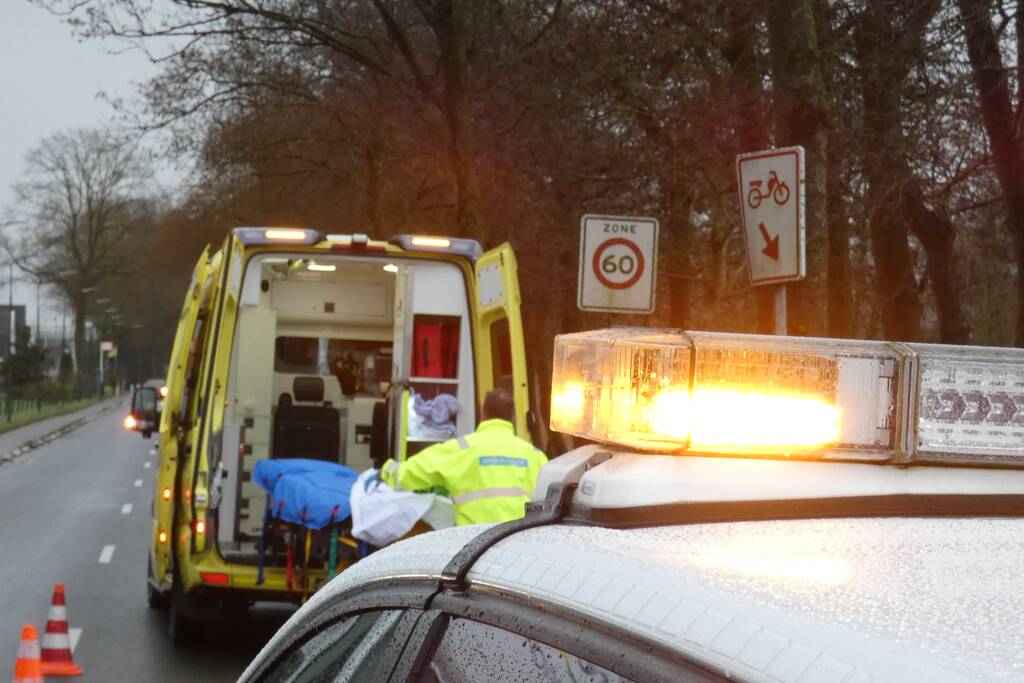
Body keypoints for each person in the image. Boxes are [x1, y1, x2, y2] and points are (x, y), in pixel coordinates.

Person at [381, 388, 547, 525]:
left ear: (482, 414)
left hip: (475, 547)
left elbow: (406, 474)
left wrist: (385, 471)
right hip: (519, 547)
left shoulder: (460, 449)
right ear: (513, 417)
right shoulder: (535, 456)